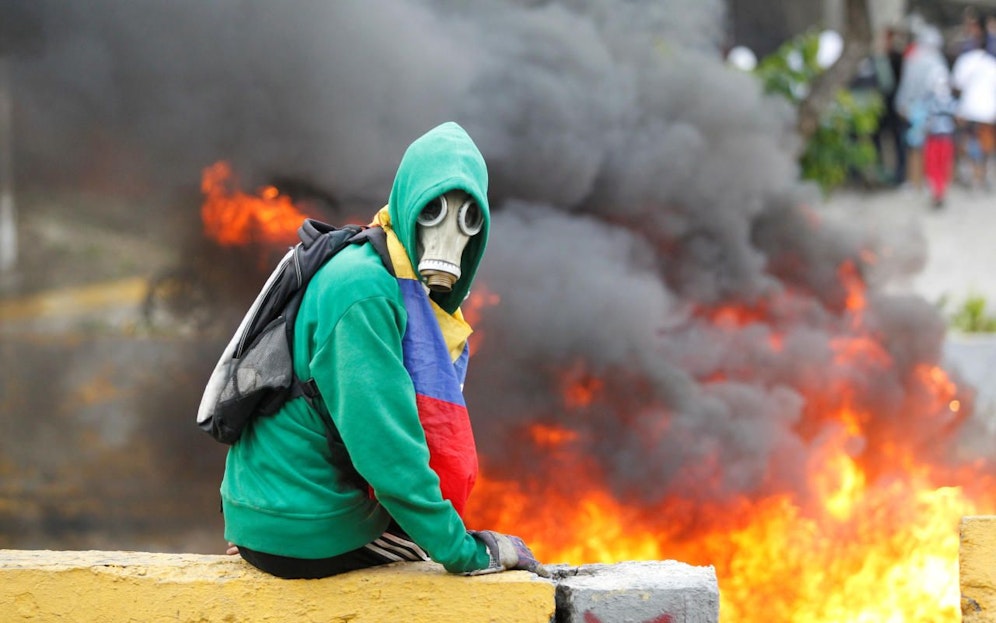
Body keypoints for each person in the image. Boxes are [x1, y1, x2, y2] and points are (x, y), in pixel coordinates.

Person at [220, 121, 547, 579]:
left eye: (468, 218)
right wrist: (469, 553)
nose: (450, 233)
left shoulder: (368, 263)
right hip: (300, 526)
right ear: (410, 203)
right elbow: (388, 453)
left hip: (273, 511)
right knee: (426, 552)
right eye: (433, 210)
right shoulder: (366, 292)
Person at [895, 25, 950, 194]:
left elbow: (907, 86)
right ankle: (925, 182)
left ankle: (915, 183)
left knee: (917, 148)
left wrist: (901, 105)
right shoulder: (935, 60)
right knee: (926, 148)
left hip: (918, 110)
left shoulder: (915, 58)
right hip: (928, 111)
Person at [951, 21, 996, 191]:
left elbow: (956, 84)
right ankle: (982, 175)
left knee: (969, 142)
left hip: (969, 110)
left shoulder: (965, 61)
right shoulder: (992, 63)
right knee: (986, 145)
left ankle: (973, 174)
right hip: (987, 111)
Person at [921, 71, 958, 208]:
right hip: (944, 138)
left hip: (935, 138)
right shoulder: (951, 102)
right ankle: (939, 192)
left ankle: (938, 193)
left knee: (935, 166)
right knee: (941, 166)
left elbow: (925, 120)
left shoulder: (930, 101)